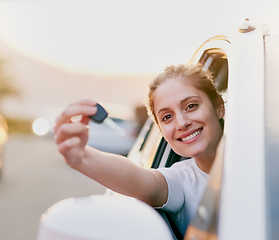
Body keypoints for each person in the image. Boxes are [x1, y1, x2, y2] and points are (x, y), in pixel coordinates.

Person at [54, 63, 225, 236]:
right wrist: (83, 157)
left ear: (219, 107)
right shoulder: (182, 180)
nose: (182, 123)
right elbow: (142, 181)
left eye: (191, 106)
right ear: (160, 131)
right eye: (167, 117)